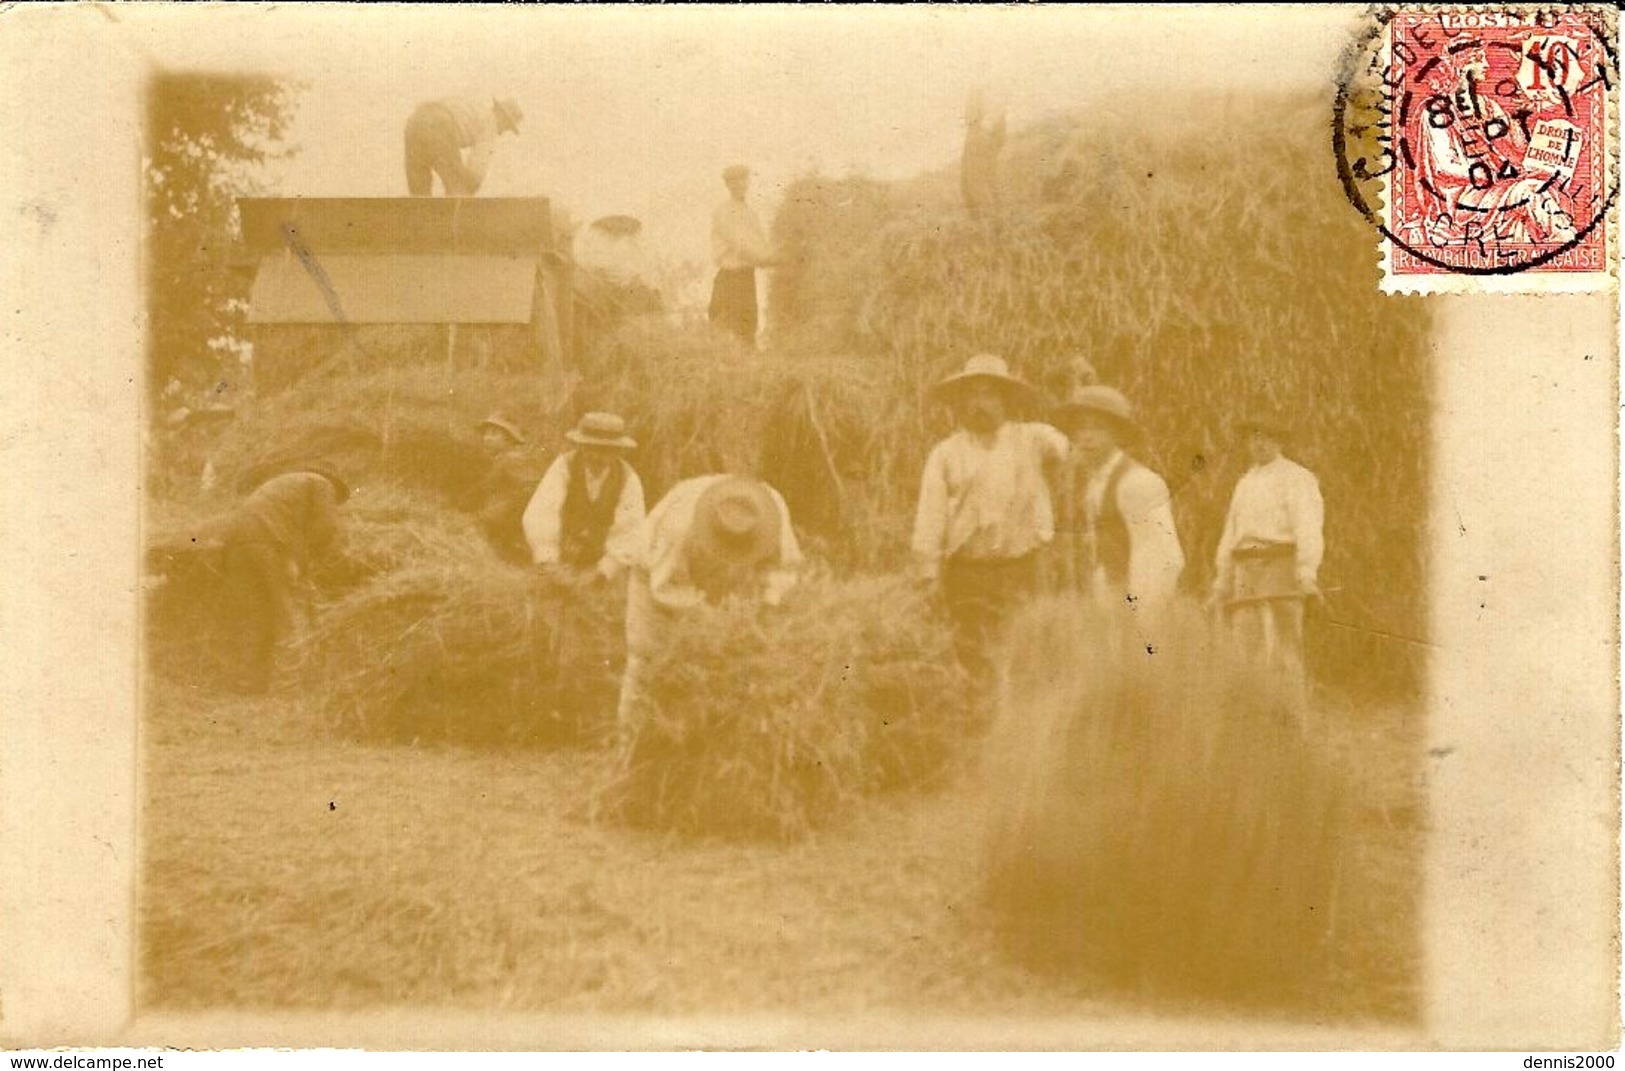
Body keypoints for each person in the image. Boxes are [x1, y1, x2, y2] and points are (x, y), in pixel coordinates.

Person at [911, 353, 1068, 705]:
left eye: (989, 394)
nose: (979, 404)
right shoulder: (946, 454)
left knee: (1027, 651)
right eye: (971, 396)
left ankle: (1027, 723)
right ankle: (980, 725)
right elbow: (930, 520)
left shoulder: (1032, 439)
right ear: (960, 404)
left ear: (1006, 400)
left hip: (1023, 567)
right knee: (974, 655)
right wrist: (928, 576)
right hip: (969, 573)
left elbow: (1068, 450)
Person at [616, 474, 803, 740]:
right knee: (649, 661)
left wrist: (766, 606)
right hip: (656, 579)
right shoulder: (678, 527)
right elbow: (666, 587)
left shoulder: (771, 510)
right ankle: (633, 743)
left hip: (716, 581)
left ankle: (708, 739)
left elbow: (784, 567)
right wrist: (711, 619)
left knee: (737, 661)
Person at [1209, 412, 1325, 702]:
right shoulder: (1245, 481)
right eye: (1254, 437)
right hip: (1245, 567)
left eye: (1267, 437)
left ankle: (1291, 714)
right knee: (1245, 639)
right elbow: (1231, 532)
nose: (1260, 444)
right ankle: (1251, 715)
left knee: (1284, 641)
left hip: (1280, 562)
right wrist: (1222, 580)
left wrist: (1306, 573)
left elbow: (1308, 526)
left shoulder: (1296, 477)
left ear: (1279, 441)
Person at [1050, 386, 1185, 616]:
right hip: (1108, 603)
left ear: (1118, 434)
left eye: (1097, 427)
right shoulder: (1095, 482)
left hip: (1137, 607)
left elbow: (1161, 558)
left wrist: (1141, 619)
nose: (1086, 437)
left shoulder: (1136, 483)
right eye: (1080, 427)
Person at [220, 466, 349, 693]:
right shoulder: (322, 484)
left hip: (237, 540)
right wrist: (307, 558)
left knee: (254, 613)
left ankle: (248, 682)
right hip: (269, 541)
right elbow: (326, 526)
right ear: (336, 488)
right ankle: (290, 687)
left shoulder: (284, 486)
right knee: (291, 613)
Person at [521, 412, 646, 583]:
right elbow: (541, 512)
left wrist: (604, 571)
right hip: (558, 557)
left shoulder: (628, 479)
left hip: (602, 562)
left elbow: (631, 531)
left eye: (606, 451)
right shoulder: (564, 467)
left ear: (618, 451)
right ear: (581, 446)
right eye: (591, 448)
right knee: (542, 591)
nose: (597, 457)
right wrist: (548, 560)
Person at [709, 164, 776, 344]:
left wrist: (774, 255)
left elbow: (759, 241)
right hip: (730, 279)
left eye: (744, 180)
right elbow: (741, 245)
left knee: (747, 330)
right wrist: (768, 259)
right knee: (727, 329)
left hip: (746, 277)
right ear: (728, 185)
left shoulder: (749, 212)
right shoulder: (724, 211)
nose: (741, 185)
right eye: (735, 181)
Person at [403, 96, 523, 197]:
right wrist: (470, 185)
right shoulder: (491, 122)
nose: (502, 132)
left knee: (419, 189)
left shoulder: (476, 108)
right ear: (503, 117)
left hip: (414, 120)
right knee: (457, 184)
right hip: (439, 123)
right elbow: (477, 166)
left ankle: (420, 222)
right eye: (507, 126)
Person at [462, 413, 538, 565]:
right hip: (497, 519)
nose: (487, 438)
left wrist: (499, 513)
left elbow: (528, 489)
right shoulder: (501, 459)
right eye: (486, 434)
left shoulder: (513, 459)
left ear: (509, 439)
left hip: (506, 522)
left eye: (494, 434)